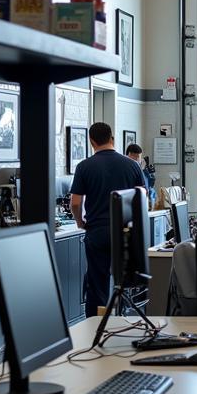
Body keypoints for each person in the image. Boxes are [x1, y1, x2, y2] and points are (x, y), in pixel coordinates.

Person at [70, 122, 147, 319]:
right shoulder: (132, 165)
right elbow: (143, 196)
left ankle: (95, 327)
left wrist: (80, 222)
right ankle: (124, 320)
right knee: (125, 281)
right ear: (112, 138)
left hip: (97, 232)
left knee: (97, 283)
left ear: (92, 141)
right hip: (125, 233)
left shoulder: (84, 166)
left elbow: (76, 203)